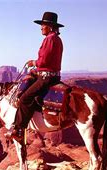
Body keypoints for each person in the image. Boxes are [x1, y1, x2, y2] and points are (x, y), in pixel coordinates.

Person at [5, 11, 64, 142]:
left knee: (25, 98)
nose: (41, 27)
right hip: (52, 75)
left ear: (50, 26)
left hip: (46, 77)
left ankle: (18, 129)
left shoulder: (49, 39)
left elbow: (44, 61)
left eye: (43, 25)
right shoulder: (57, 39)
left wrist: (33, 63)